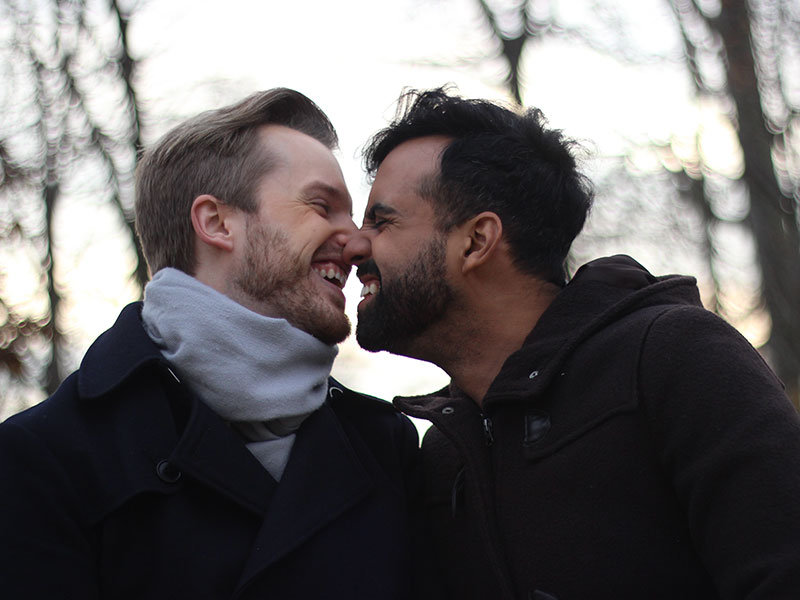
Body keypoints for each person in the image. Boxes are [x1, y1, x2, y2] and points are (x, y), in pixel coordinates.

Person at [342, 87, 800, 599]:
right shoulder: (445, 453)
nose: (354, 244)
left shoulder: (674, 360)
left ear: (476, 241)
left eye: (381, 221)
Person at [0, 88, 420, 599]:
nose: (357, 243)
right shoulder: (45, 459)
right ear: (218, 222)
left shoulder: (388, 447)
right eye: (321, 206)